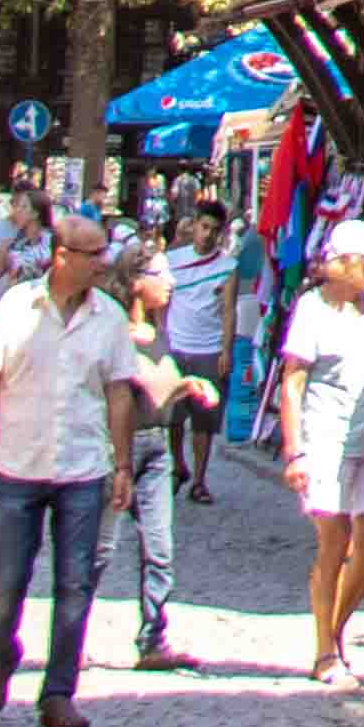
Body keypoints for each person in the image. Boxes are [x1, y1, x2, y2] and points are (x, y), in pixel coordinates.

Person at [0, 208, 141, 726]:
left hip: (83, 468)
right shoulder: (17, 306)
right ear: (62, 256)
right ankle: (3, 652)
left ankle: (58, 691)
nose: (104, 262)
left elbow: (119, 393)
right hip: (19, 464)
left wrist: (122, 464)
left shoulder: (109, 317)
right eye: (94, 254)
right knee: (6, 582)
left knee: (75, 585)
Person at [277, 215, 364, 679]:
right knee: (335, 544)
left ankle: (336, 628)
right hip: (327, 441)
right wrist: (295, 451)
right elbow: (293, 381)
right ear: (346, 262)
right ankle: (324, 649)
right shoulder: (312, 309)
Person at [114, 257, 216, 672]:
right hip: (116, 448)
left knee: (159, 549)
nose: (171, 281)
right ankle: (71, 639)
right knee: (95, 550)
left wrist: (188, 386)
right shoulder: (112, 334)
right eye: (161, 274)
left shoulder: (158, 333)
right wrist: (180, 386)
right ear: (136, 282)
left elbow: (160, 391)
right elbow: (133, 391)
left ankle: (153, 639)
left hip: (156, 449)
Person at [156, 205, 243, 493]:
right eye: (204, 227)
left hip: (209, 349)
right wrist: (162, 339)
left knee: (204, 420)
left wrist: (226, 350)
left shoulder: (227, 267)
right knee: (174, 416)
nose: (207, 235)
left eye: (214, 230)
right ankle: (178, 465)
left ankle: (199, 480)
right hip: (177, 347)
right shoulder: (172, 261)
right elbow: (162, 301)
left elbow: (229, 311)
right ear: (194, 225)